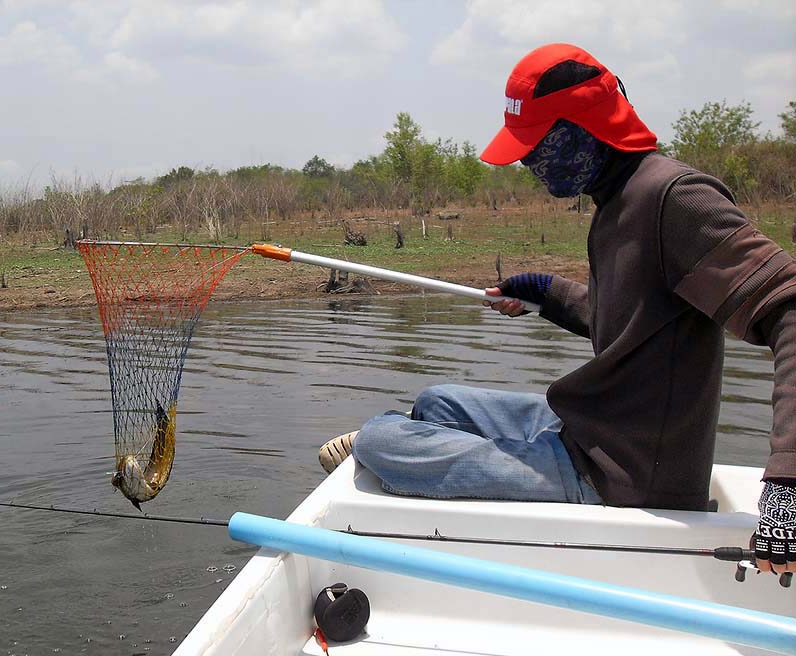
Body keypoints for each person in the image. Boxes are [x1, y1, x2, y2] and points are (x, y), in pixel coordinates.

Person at [318, 43, 795, 577]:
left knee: (383, 439)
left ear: (584, 129)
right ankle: (427, 440)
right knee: (436, 400)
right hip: (592, 429)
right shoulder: (618, 200)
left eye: (536, 145)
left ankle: (397, 444)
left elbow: (790, 307)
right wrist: (549, 293)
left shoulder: (675, 198)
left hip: (619, 476)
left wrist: (787, 488)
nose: (526, 162)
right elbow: (633, 322)